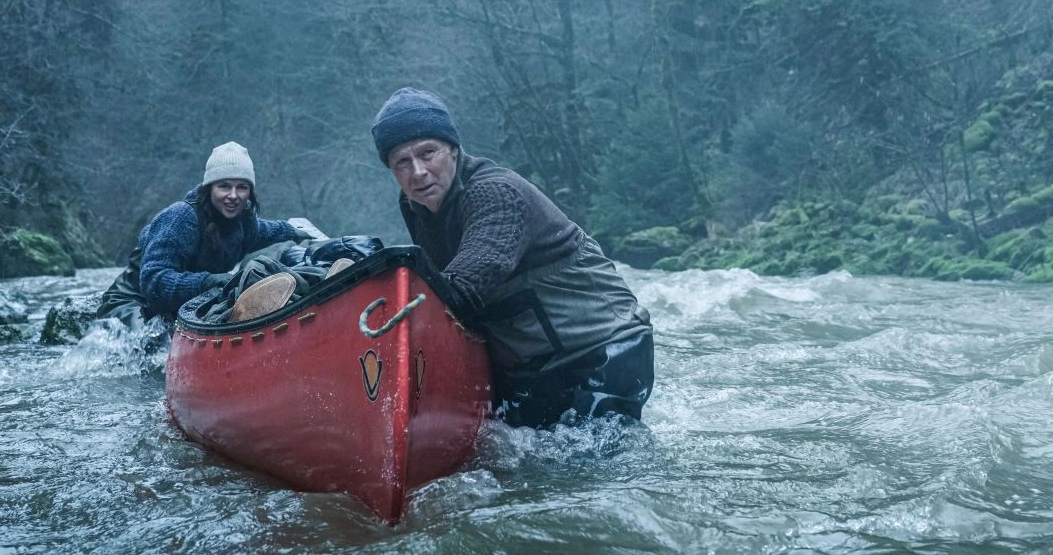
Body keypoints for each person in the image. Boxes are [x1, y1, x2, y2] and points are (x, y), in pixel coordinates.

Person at [371, 87, 654, 428]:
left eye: (427, 153)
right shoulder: (415, 205)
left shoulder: (496, 194)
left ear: (453, 149)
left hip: (602, 351)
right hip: (533, 366)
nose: (417, 172)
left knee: (590, 468)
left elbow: (461, 291)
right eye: (402, 162)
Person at [96, 141, 322, 327]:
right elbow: (155, 284)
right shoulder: (180, 218)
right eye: (224, 186)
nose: (233, 195)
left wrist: (295, 230)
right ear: (209, 188)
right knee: (150, 347)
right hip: (132, 303)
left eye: (241, 187)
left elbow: (267, 230)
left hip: (183, 307)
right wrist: (211, 281)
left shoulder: (244, 222)